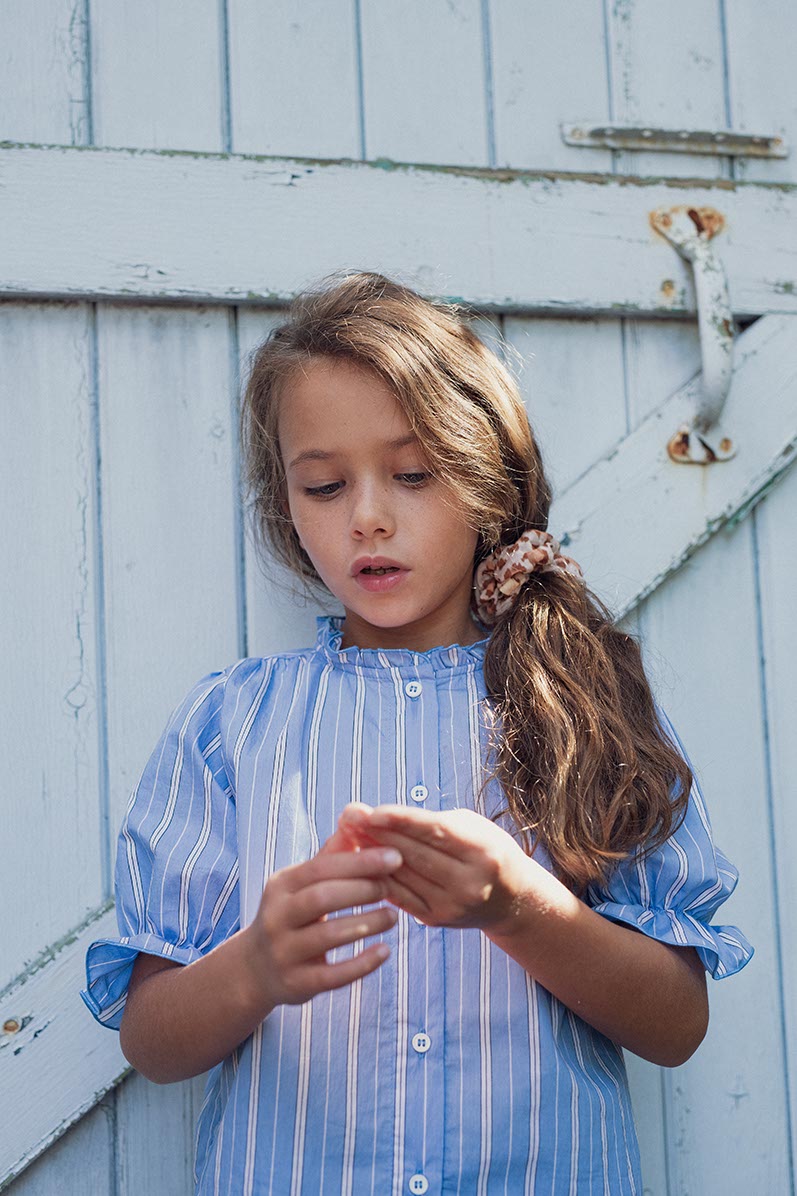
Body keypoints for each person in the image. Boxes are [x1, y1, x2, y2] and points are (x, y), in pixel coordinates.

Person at [81, 270, 753, 1195]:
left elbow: (677, 1023)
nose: (366, 514)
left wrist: (520, 906)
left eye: (411, 473)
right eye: (323, 485)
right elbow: (153, 1042)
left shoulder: (582, 704)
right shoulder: (231, 724)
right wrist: (256, 966)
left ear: (487, 483)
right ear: (287, 508)